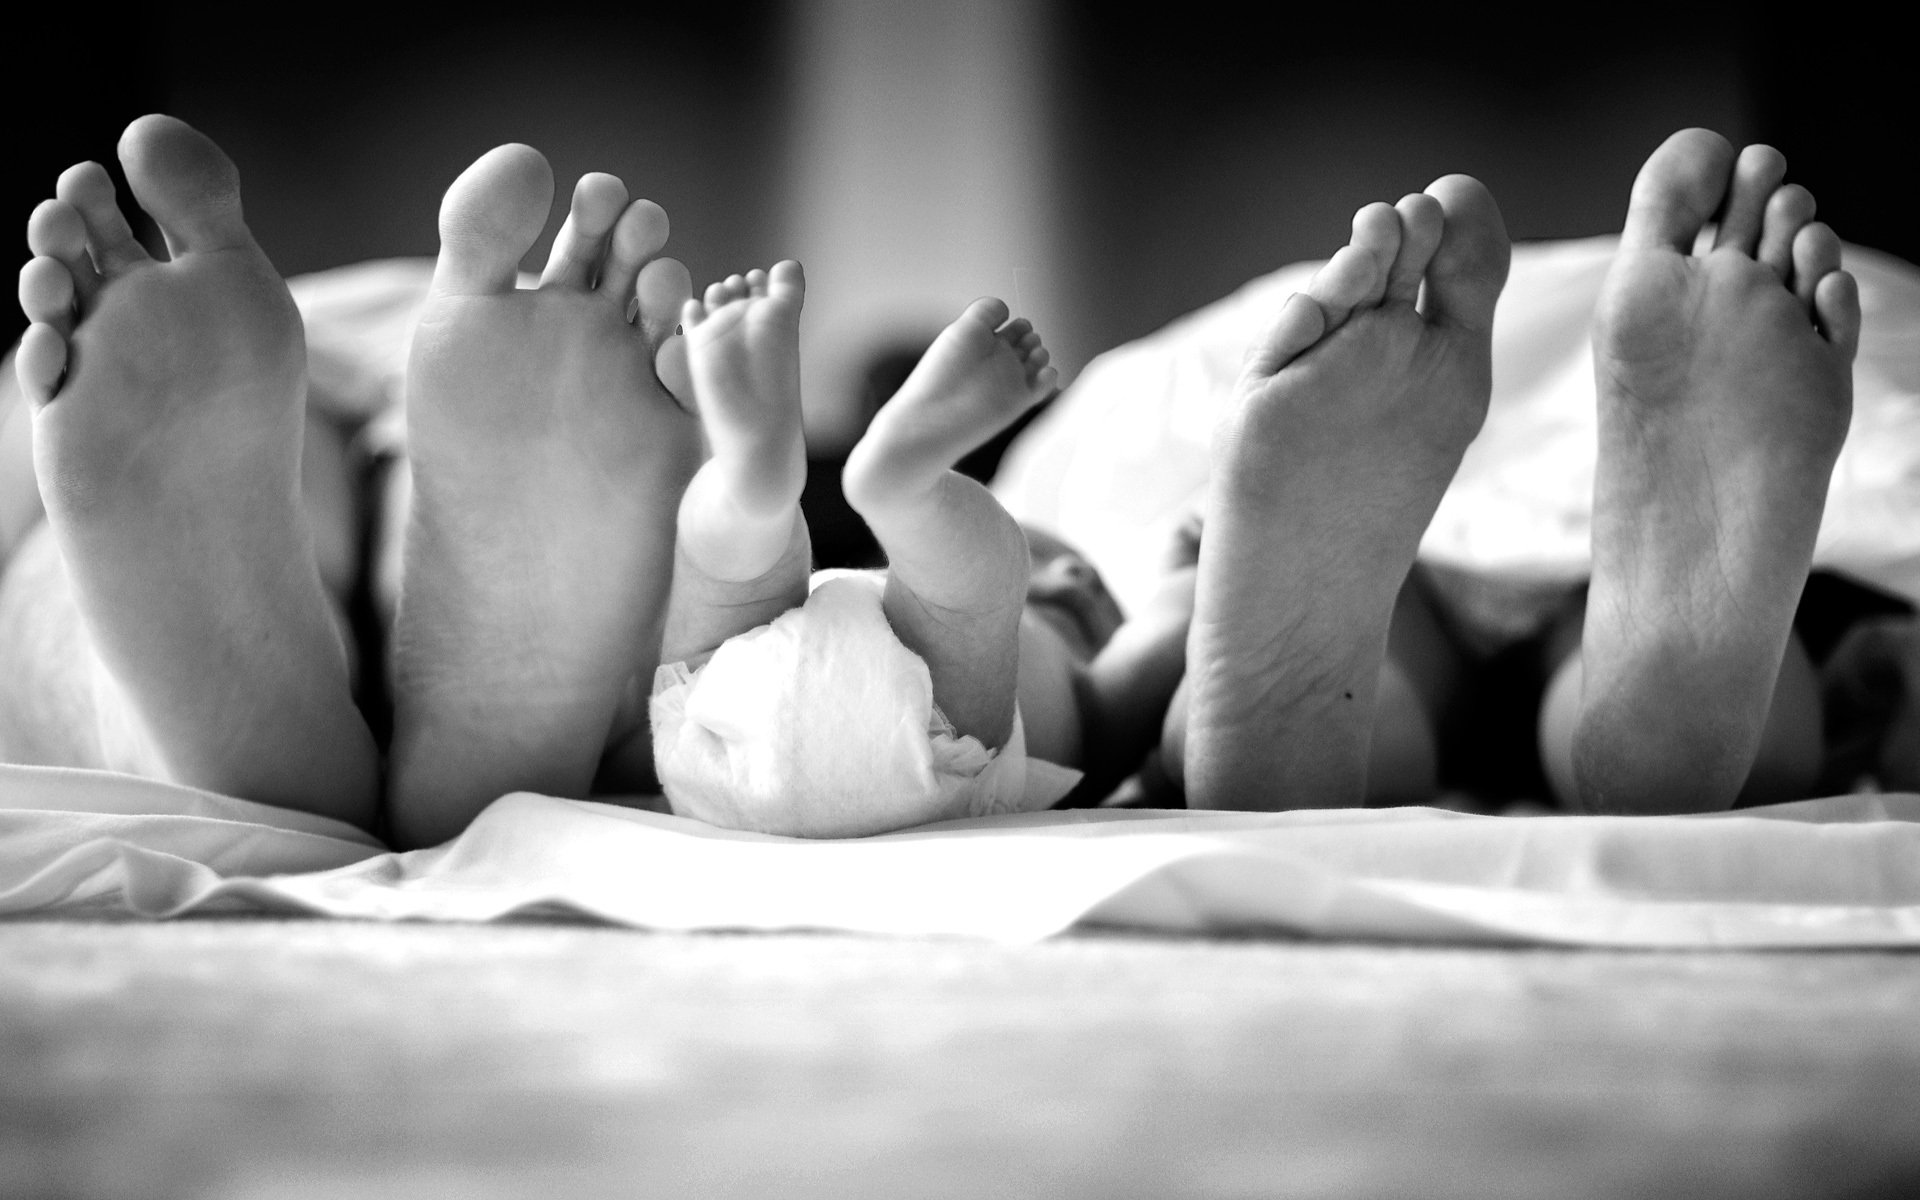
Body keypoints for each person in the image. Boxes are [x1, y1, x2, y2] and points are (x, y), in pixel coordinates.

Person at [0, 116, 1863, 844]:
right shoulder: (1047, 476)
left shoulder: (1030, 499)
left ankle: (320, 645)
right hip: (1152, 597)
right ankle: (1675, 699)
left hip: (1103, 588)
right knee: (1495, 682)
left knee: (343, 463)